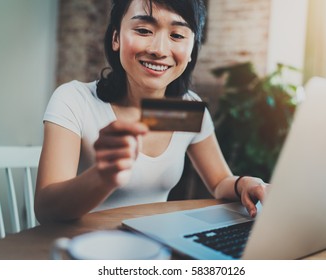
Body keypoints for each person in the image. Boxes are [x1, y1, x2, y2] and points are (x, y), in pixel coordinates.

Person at [34, 0, 268, 224]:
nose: (159, 49)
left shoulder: (183, 110)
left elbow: (219, 182)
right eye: (144, 30)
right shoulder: (76, 101)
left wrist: (243, 184)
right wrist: (103, 176)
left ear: (191, 50)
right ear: (116, 38)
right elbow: (46, 210)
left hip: (152, 251)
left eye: (177, 35)